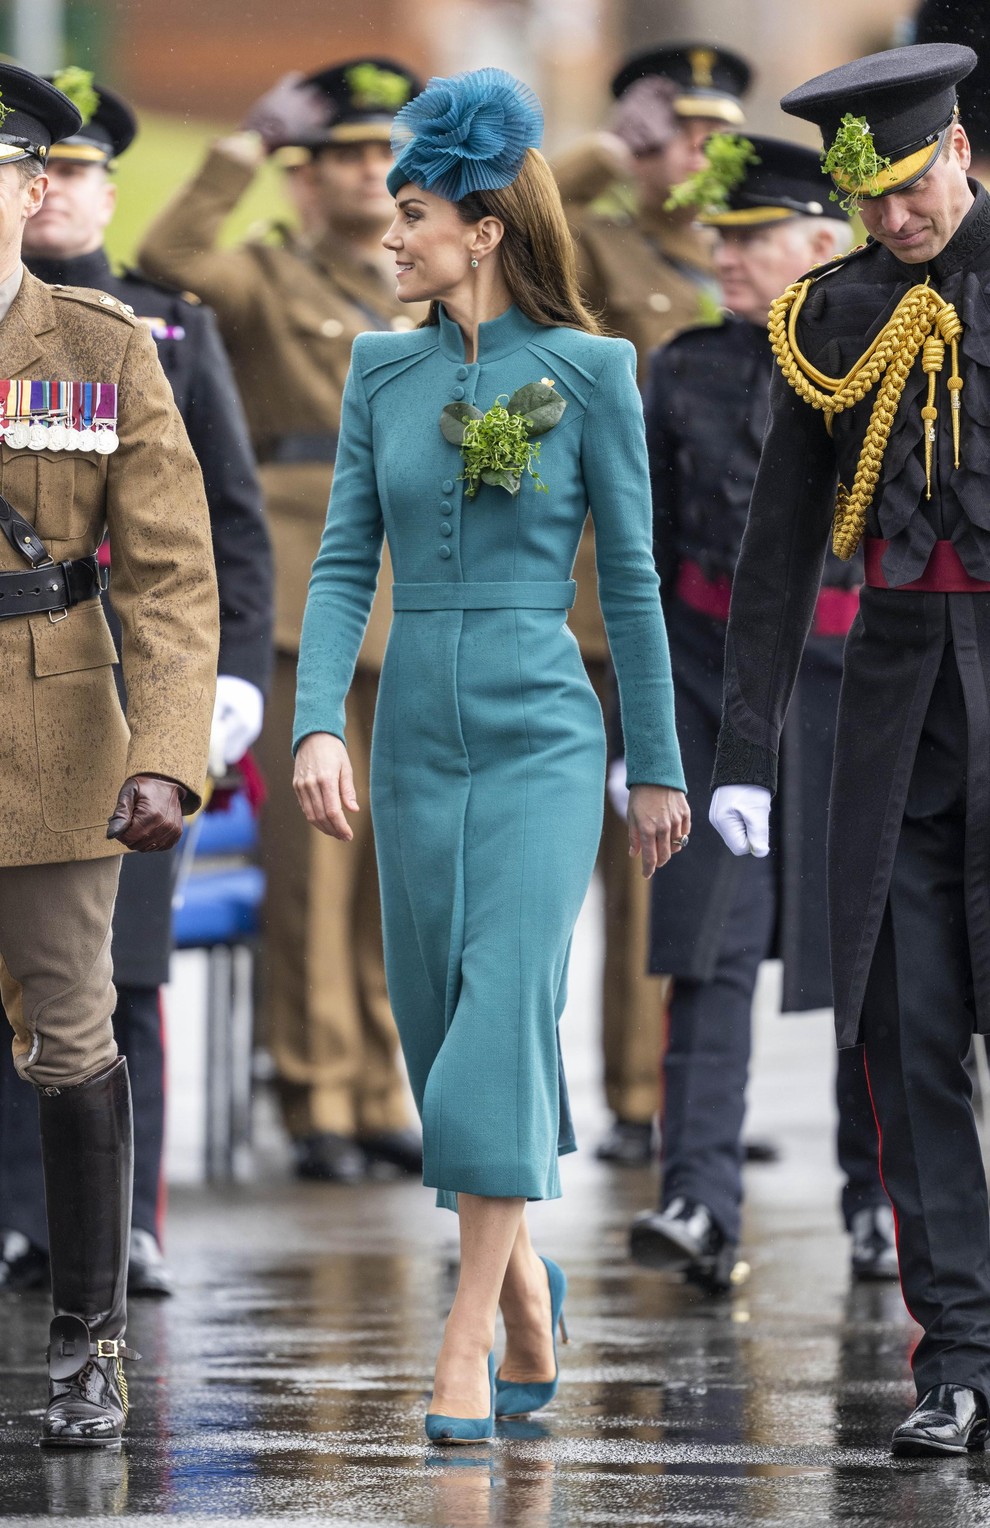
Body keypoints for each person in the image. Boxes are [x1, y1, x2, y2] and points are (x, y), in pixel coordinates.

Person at [291, 67, 688, 1442]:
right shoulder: (377, 366)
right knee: (433, 1029)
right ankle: (524, 1286)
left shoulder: (590, 372)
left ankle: (464, 1341)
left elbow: (631, 582)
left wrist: (657, 766)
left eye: (411, 212)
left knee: (498, 1016)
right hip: (406, 738)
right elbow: (344, 559)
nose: (389, 237)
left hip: (539, 730)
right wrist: (314, 723)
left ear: (484, 226)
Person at [709, 42, 990, 1456]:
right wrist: (739, 752)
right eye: (865, 201)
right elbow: (772, 553)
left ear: (957, 150)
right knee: (906, 1035)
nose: (891, 221)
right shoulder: (829, 315)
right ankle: (957, 1359)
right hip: (889, 708)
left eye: (907, 190)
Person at [0, 71, 273, 1301]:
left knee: (75, 1027)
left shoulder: (109, 347)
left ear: (35, 186)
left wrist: (171, 749)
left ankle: (88, 1330)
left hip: (57, 727)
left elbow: (174, 573)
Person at [139, 61, 425, 1184]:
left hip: (411, 596)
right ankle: (312, 1091)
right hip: (306, 593)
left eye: (383, 152)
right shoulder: (261, 277)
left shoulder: (428, 273)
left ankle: (375, 1086)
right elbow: (166, 262)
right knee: (316, 860)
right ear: (308, 176)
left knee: (397, 861)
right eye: (345, 152)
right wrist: (246, 143)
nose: (369, 170)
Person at [619, 137, 893, 1292]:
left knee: (873, 943)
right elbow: (640, 552)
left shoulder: (878, 354)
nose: (723, 257)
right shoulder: (679, 369)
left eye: (750, 238)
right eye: (718, 237)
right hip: (703, 673)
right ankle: (698, 1196)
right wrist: (640, 724)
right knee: (707, 942)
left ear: (822, 244)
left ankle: (880, 1198)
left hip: (847, 672)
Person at [554, 44, 751, 1166]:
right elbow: (512, 221)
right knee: (544, 864)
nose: (696, 154)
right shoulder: (597, 246)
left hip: (686, 610)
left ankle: (648, 1095)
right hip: (585, 599)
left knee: (662, 860)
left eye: (710, 133)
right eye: (674, 132)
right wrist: (600, 149)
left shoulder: (746, 260)